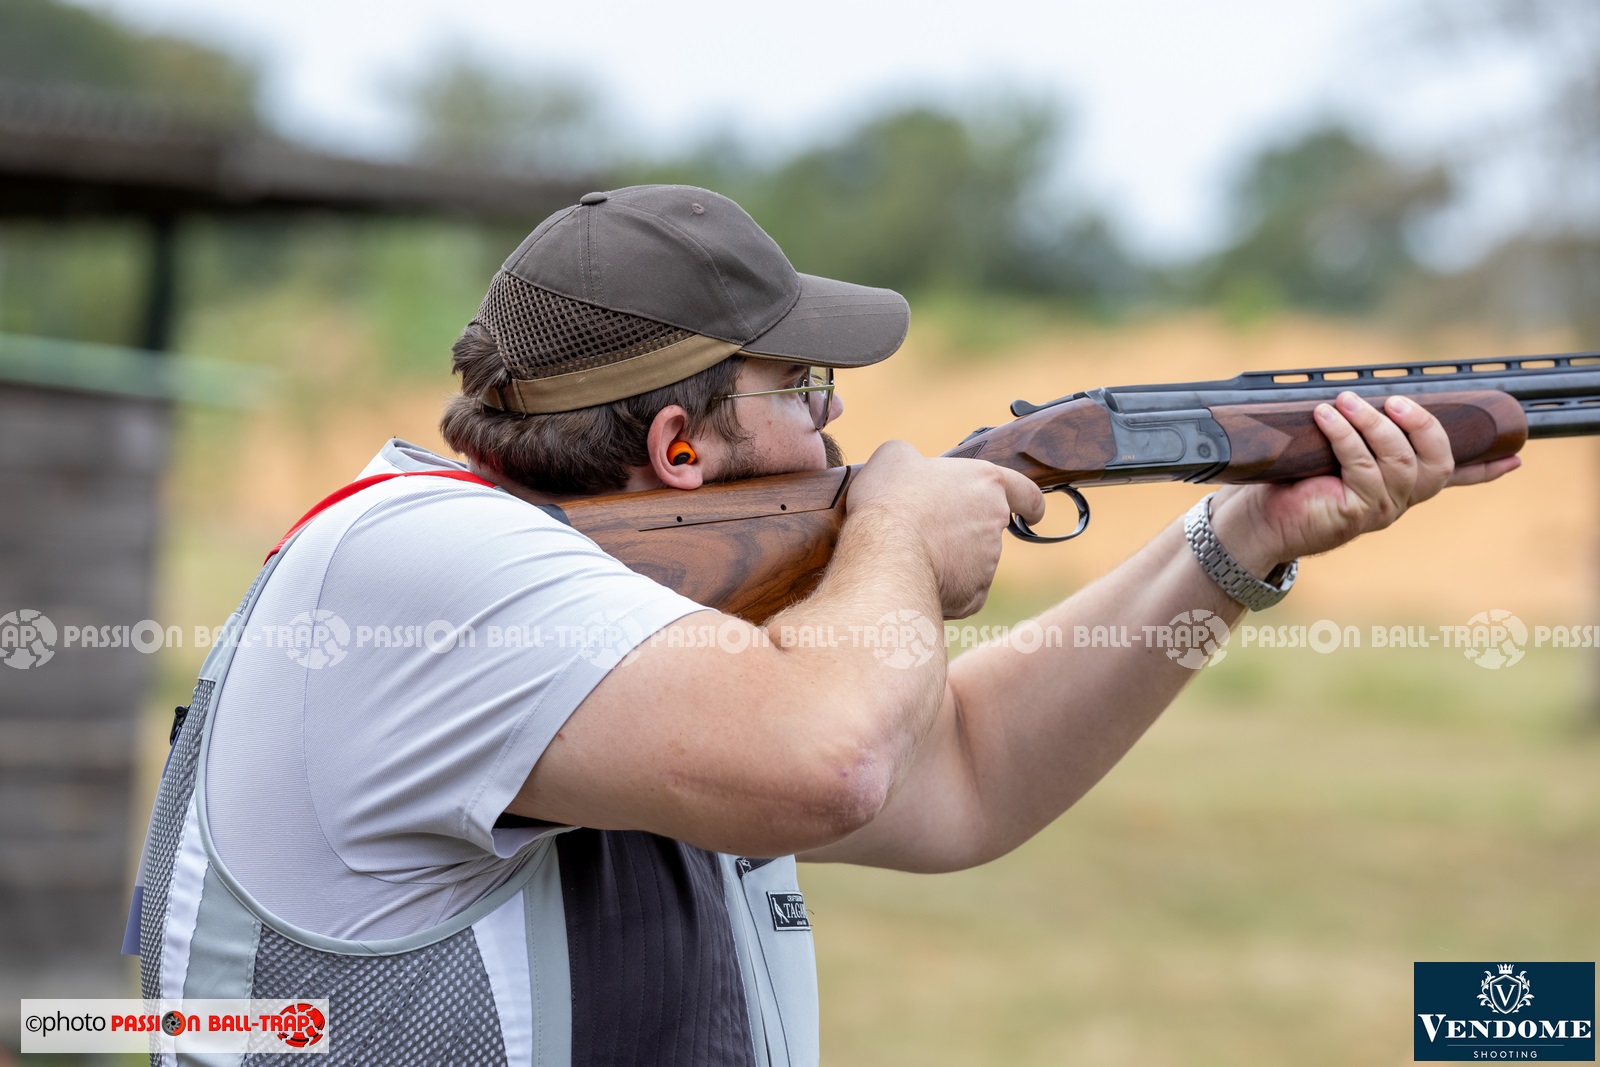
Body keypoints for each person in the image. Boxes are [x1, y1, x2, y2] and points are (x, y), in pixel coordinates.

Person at [129, 185, 1518, 1066]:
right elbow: (833, 759)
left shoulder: (641, 625)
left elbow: (966, 775)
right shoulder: (420, 563)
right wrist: (898, 538)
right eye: (804, 388)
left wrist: (1239, 542)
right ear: (679, 449)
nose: (840, 423)